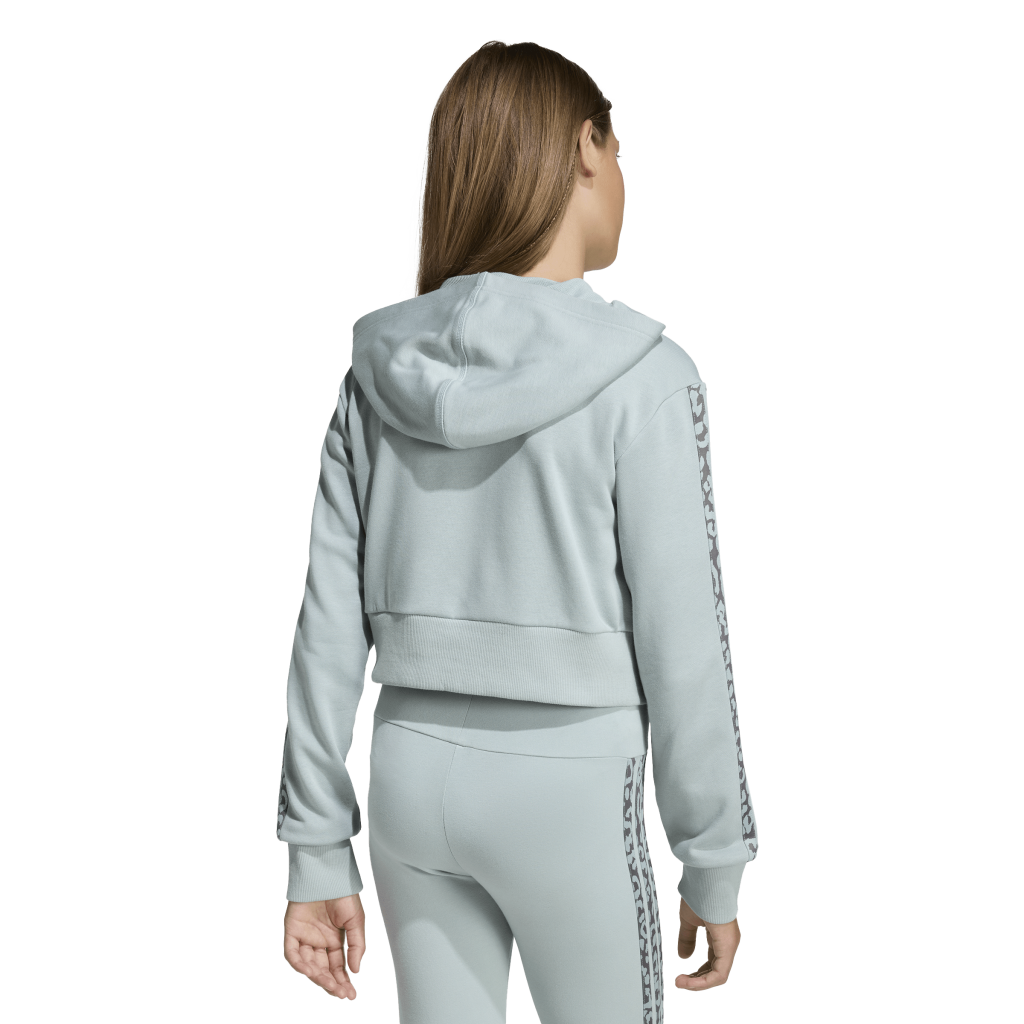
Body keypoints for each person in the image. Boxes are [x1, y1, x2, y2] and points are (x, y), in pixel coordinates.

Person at [278, 39, 758, 1021]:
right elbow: (684, 642)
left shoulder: (375, 372)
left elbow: (324, 628)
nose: (622, 177)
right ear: (585, 147)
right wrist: (713, 858)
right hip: (570, 784)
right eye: (618, 149)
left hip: (407, 770)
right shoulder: (645, 375)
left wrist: (315, 850)